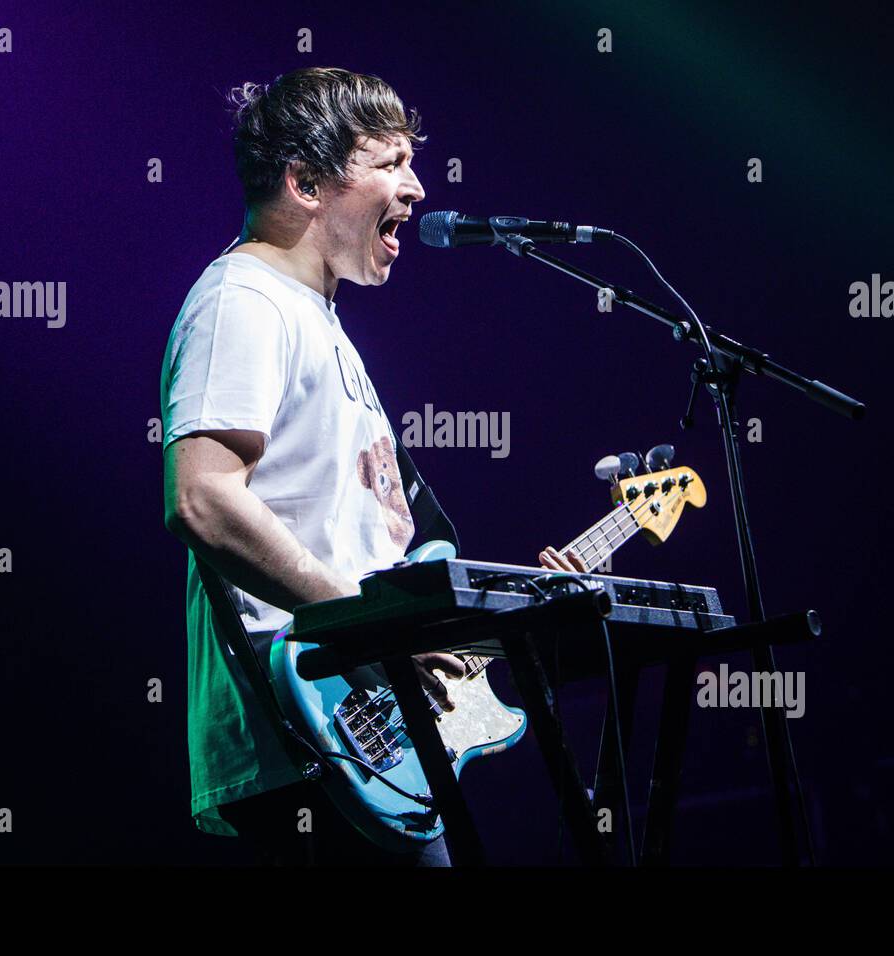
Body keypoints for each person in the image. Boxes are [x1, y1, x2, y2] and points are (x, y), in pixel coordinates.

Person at [160, 67, 583, 866]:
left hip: (372, 734)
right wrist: (372, 630)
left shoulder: (319, 321)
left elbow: (366, 547)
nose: (417, 187)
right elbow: (204, 499)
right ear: (306, 181)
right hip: (311, 736)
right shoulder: (242, 300)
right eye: (389, 163)